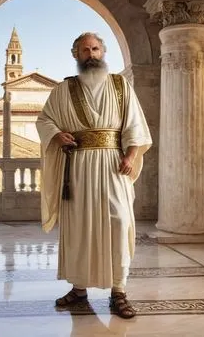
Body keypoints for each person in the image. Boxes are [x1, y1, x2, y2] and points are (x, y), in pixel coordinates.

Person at [36, 32, 152, 319]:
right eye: (85, 50)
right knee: (80, 226)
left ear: (103, 52)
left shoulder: (120, 85)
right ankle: (79, 289)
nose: (91, 54)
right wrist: (56, 134)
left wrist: (131, 155)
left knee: (119, 221)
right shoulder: (64, 89)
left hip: (114, 164)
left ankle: (119, 292)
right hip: (78, 167)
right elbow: (44, 119)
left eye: (96, 49)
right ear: (76, 55)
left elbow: (135, 124)